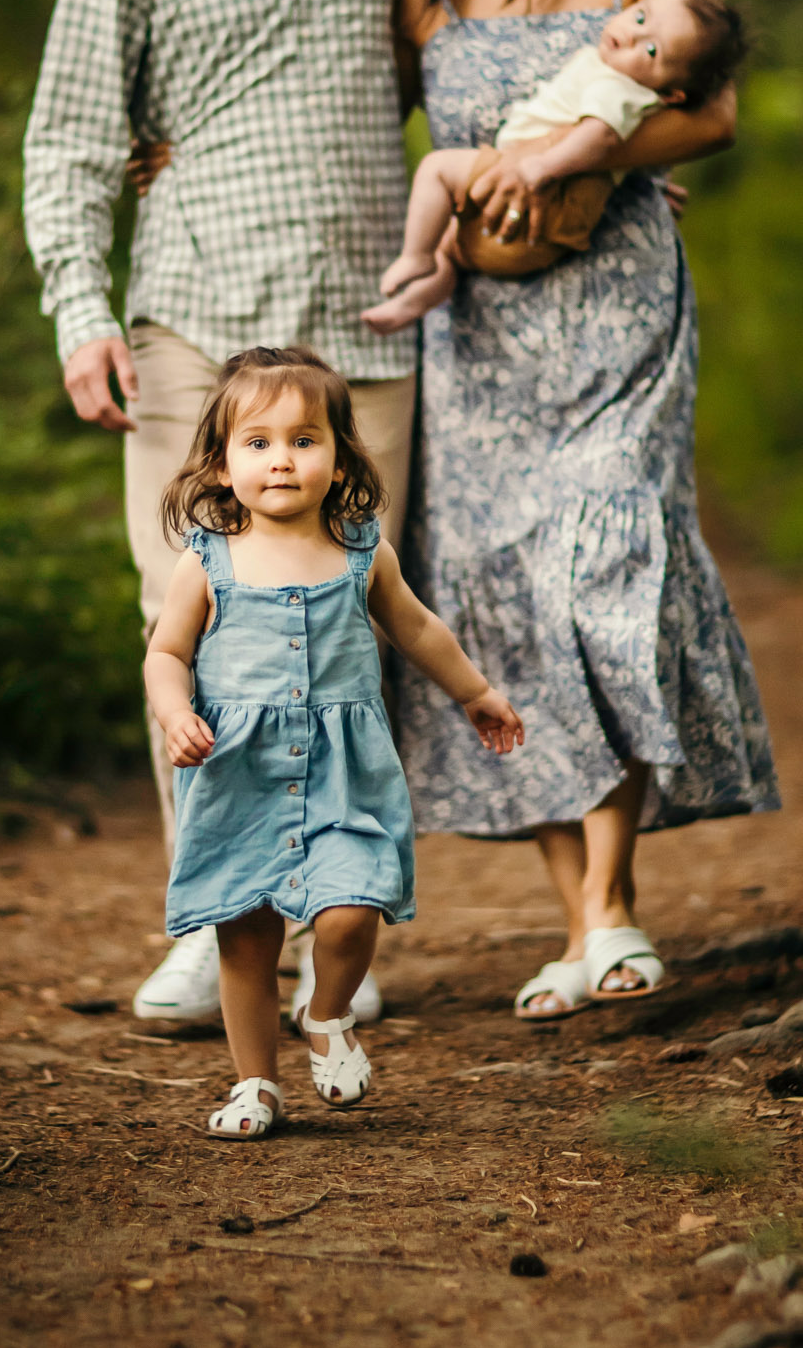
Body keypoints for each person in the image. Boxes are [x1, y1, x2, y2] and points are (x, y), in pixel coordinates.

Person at [23, 0, 415, 1033]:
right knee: (191, 625)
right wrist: (80, 308)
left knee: (348, 633)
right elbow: (72, 136)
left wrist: (597, 151)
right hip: (195, 322)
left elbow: (471, 48)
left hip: (366, 327)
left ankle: (334, 935)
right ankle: (212, 914)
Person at [392, 0, 780, 1017]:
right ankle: (578, 922)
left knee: (600, 569)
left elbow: (711, 114)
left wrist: (565, 160)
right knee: (504, 605)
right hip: (478, 346)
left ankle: (612, 908)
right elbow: (360, 116)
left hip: (614, 320)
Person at [145, 346, 522, 1137]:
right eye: (257, 443)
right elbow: (165, 652)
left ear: (339, 456)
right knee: (244, 937)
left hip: (344, 774)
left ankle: (326, 1013)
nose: (281, 460)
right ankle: (256, 1085)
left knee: (352, 911)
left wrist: (475, 693)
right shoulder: (205, 562)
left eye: (303, 440)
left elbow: (416, 626)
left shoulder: (359, 550)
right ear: (218, 466)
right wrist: (175, 712)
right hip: (238, 773)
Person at [363, 0, 747, 330]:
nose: (631, 34)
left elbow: (598, 140)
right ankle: (415, 301)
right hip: (549, 217)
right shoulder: (632, 90)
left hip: (547, 193)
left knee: (436, 169)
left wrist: (542, 167)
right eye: (640, 16)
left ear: (673, 94)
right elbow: (622, 152)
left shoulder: (617, 88)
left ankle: (415, 257)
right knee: (454, 248)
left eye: (650, 50)